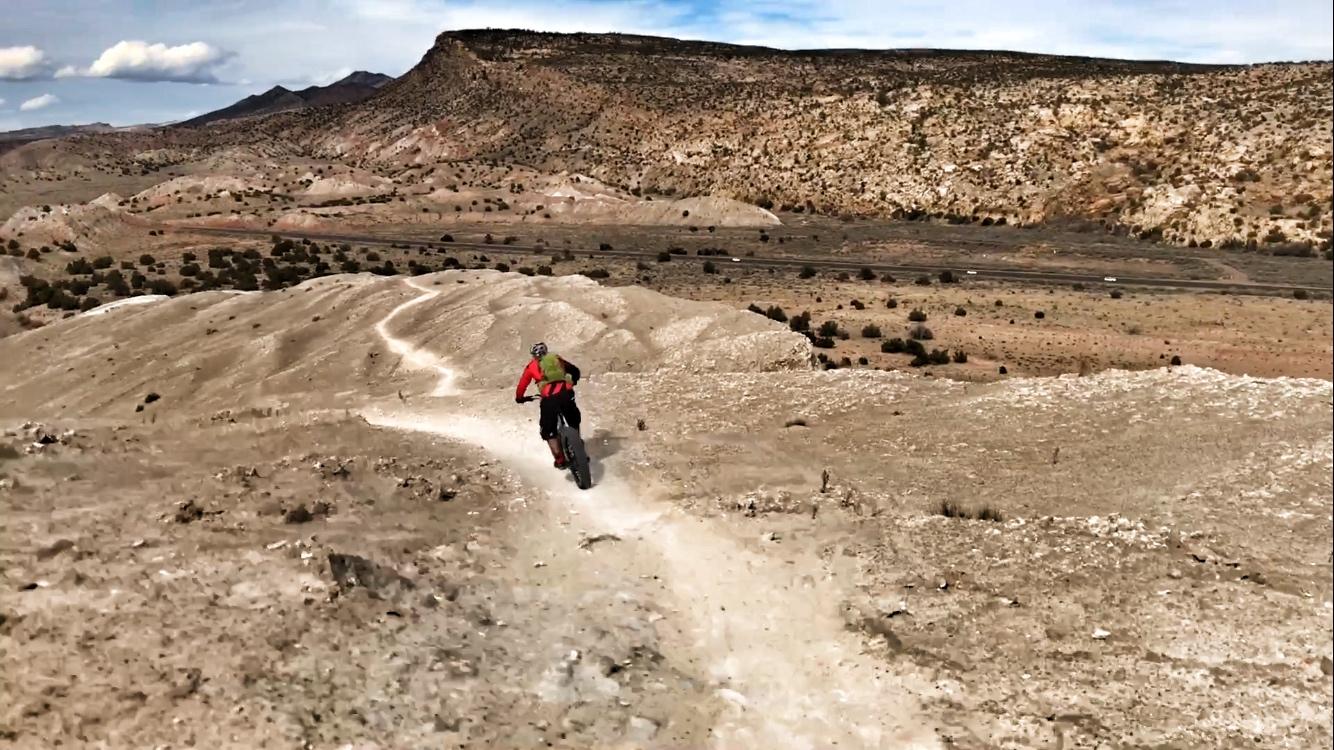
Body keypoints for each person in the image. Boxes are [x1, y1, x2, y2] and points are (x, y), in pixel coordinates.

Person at [515, 342, 582, 468]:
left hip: (549, 399)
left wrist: (520, 398)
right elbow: (575, 371)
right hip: (566, 392)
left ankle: (560, 460)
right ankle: (578, 446)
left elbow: (522, 385)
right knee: (574, 419)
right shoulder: (556, 358)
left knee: (548, 430)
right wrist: (573, 382)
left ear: (533, 355)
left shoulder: (531, 366)